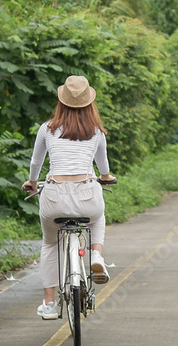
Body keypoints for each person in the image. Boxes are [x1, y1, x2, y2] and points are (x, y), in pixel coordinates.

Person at [22, 76, 115, 320]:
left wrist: (32, 182)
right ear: (89, 104)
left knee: (50, 244)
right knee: (97, 218)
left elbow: (36, 162)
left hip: (54, 197)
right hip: (87, 196)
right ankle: (96, 256)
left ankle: (50, 304)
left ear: (61, 102)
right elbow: (103, 167)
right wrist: (105, 177)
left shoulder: (48, 129)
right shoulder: (96, 132)